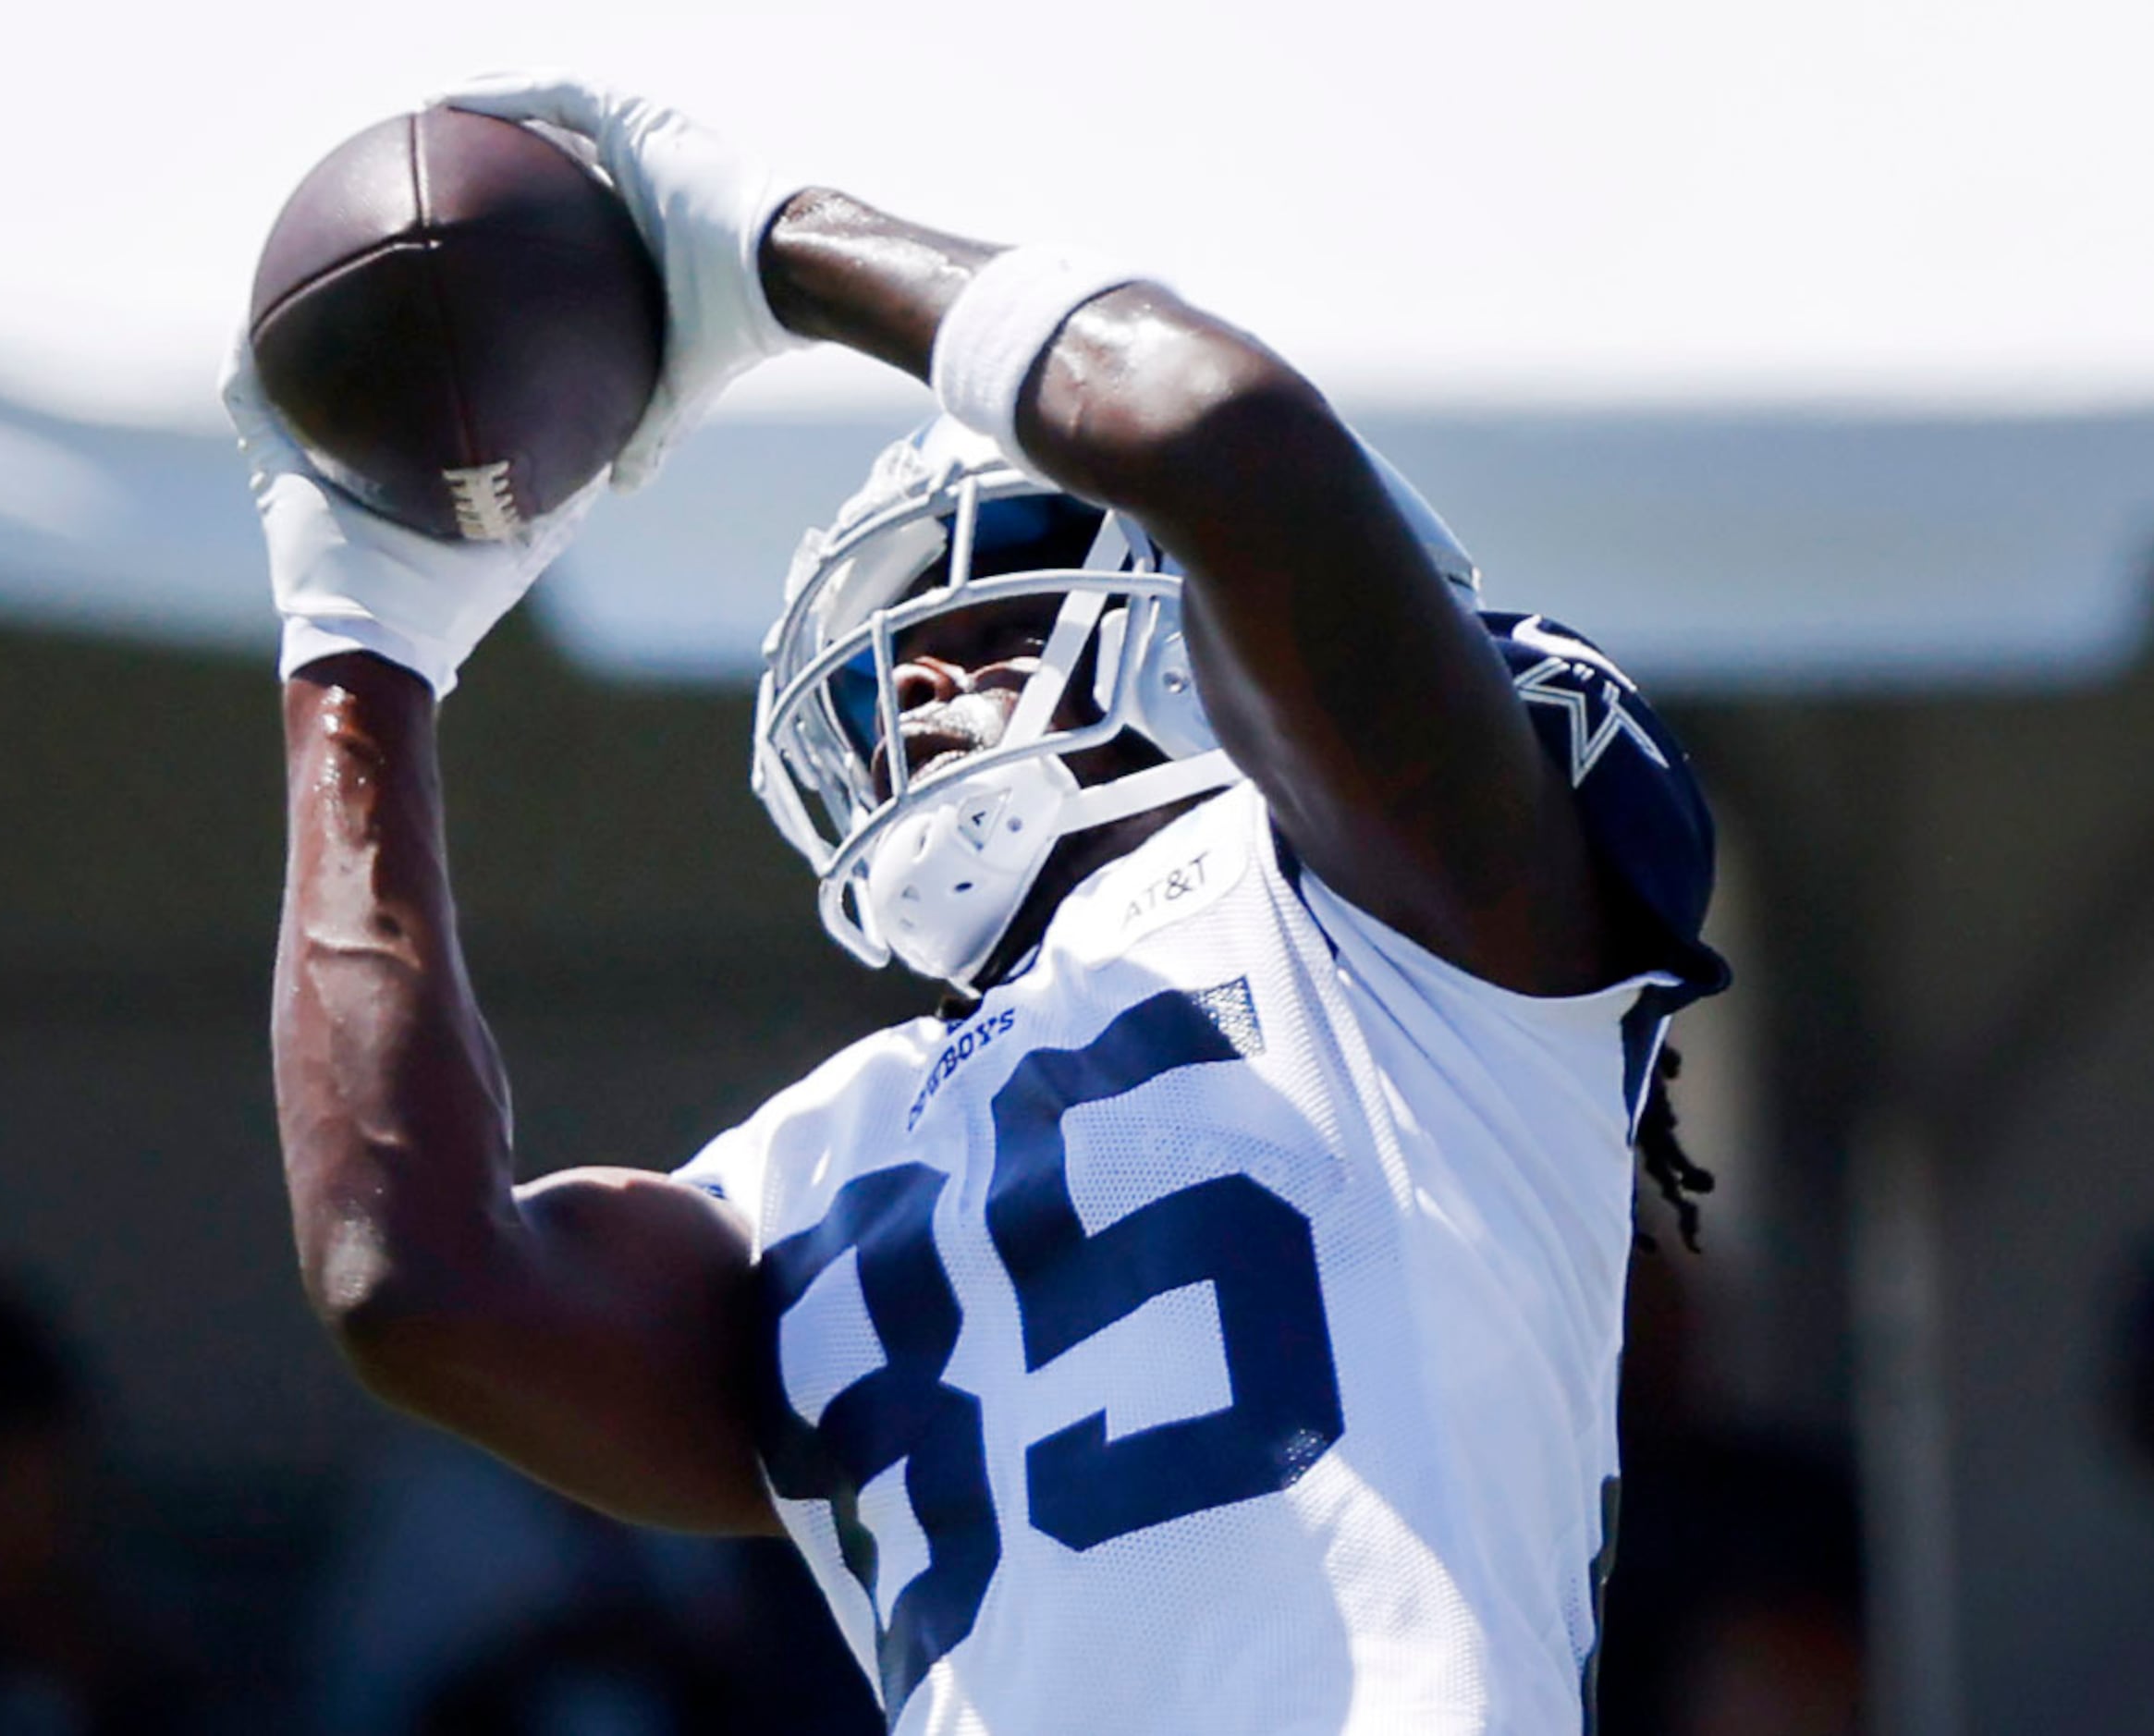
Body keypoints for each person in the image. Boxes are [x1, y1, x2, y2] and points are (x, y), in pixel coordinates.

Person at [226, 73, 1728, 1735]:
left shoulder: (1391, 928)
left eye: (992, 595)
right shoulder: (815, 1157)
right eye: (895, 654)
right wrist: (360, 643)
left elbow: (1218, 435)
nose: (922, 668)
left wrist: (768, 246)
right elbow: (412, 1275)